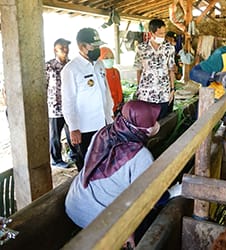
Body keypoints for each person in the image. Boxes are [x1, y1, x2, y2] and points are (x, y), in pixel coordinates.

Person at [65, 100, 181, 247]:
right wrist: (173, 192)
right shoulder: (140, 156)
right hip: (95, 218)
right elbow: (150, 197)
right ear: (143, 129)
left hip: (74, 201)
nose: (156, 123)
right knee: (149, 218)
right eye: (152, 121)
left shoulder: (104, 132)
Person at [61, 27, 114, 171]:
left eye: (98, 46)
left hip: (103, 123)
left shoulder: (99, 64)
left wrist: (110, 113)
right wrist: (73, 127)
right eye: (93, 46)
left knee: (105, 159)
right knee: (88, 164)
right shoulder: (71, 69)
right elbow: (68, 101)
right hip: (85, 128)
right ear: (81, 46)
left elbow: (106, 91)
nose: (97, 49)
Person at [133, 19, 176, 120]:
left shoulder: (169, 48)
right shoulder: (141, 48)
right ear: (151, 33)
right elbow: (138, 69)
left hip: (163, 93)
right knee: (146, 122)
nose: (163, 36)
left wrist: (172, 89)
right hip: (146, 93)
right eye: (160, 33)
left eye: (164, 33)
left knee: (162, 122)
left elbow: (171, 70)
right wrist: (139, 87)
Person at [46, 38, 77, 168]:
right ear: (55, 50)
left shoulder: (71, 65)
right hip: (55, 107)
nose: (66, 49)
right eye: (62, 48)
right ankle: (56, 160)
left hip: (69, 105)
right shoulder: (49, 66)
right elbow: (44, 85)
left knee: (72, 132)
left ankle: (74, 155)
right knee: (55, 136)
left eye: (67, 47)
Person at [99, 47, 124, 116]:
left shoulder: (115, 71)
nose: (109, 60)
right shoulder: (98, 73)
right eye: (106, 58)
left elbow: (119, 87)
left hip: (116, 106)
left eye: (111, 57)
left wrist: (120, 101)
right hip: (105, 107)